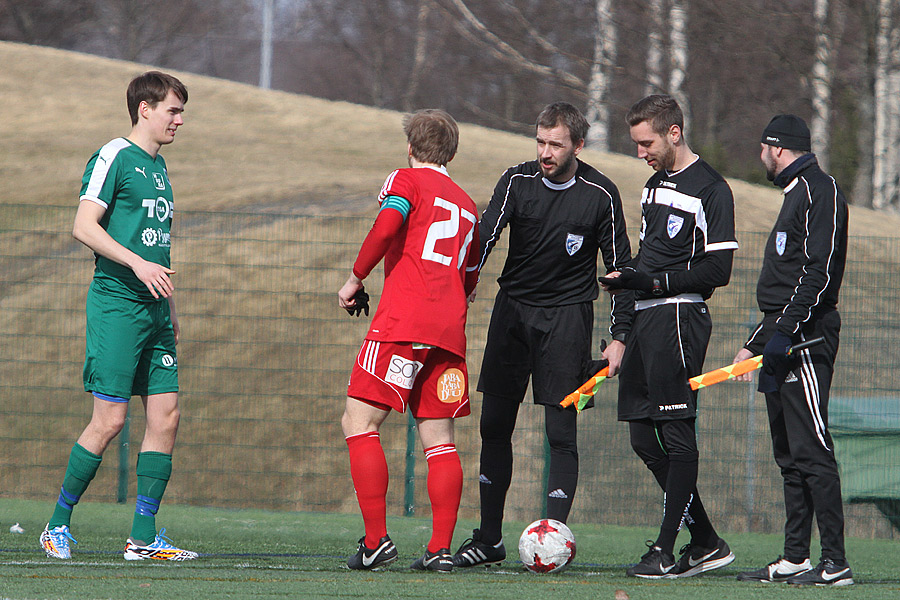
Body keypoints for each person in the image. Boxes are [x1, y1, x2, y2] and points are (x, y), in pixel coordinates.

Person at [452, 102, 632, 568]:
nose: (545, 153)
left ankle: (553, 541)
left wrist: (620, 336)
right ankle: (489, 539)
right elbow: (485, 234)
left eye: (555, 144)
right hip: (512, 314)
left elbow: (620, 271)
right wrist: (463, 283)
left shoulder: (601, 194)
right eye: (540, 142)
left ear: (578, 145)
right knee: (494, 427)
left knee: (561, 432)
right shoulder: (517, 181)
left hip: (568, 321)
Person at [40, 71, 197, 561]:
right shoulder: (115, 155)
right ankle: (56, 525)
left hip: (155, 311)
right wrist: (135, 263)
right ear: (144, 109)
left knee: (166, 417)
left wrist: (170, 307)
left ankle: (143, 538)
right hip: (117, 304)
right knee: (109, 421)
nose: (179, 119)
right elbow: (83, 226)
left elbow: (157, 242)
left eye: (181, 111)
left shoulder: (161, 168)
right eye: (173, 110)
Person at [600, 94, 737, 578]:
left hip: (680, 317)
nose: (641, 153)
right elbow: (648, 257)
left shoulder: (713, 189)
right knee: (642, 437)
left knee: (676, 434)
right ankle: (704, 540)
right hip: (644, 319)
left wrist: (651, 282)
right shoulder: (653, 187)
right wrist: (619, 323)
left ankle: (664, 547)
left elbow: (717, 270)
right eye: (636, 144)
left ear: (674, 132)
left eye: (646, 142)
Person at [339, 109, 479, 573]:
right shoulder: (467, 204)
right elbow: (471, 276)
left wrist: (355, 278)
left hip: (404, 324)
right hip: (449, 333)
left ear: (410, 148)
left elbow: (387, 225)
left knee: (359, 421)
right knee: (439, 441)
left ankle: (376, 540)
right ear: (451, 153)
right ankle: (440, 549)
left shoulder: (406, 180)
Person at [732, 115, 852, 586]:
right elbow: (783, 285)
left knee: (813, 449)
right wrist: (755, 344)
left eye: (762, 148)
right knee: (788, 454)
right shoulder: (793, 193)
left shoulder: (820, 190)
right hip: (781, 334)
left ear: (775, 148)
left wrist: (785, 334)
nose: (761, 156)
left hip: (806, 336)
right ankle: (795, 557)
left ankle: (836, 562)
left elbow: (817, 274)